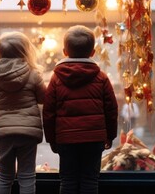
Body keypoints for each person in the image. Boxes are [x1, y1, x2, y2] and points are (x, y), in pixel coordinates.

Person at [42, 25, 119, 194]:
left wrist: (52, 139)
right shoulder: (101, 77)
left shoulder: (56, 79)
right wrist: (110, 135)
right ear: (92, 52)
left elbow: (48, 112)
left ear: (64, 51)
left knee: (68, 180)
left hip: (66, 139)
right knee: (90, 180)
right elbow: (111, 109)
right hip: (94, 138)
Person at [0, 31, 46, 194]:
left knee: (5, 176)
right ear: (25, 51)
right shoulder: (33, 73)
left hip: (5, 133)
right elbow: (44, 98)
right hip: (28, 132)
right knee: (27, 176)